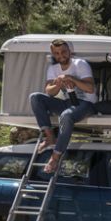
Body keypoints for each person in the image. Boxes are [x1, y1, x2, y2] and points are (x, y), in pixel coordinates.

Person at [29, 38, 97, 173]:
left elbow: (90, 89)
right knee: (35, 97)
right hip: (67, 102)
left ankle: (55, 157)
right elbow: (49, 91)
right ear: (53, 54)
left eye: (63, 52)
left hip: (86, 103)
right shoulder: (53, 68)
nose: (61, 56)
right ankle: (49, 137)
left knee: (66, 116)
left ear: (70, 51)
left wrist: (72, 79)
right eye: (57, 53)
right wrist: (58, 84)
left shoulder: (80, 64)